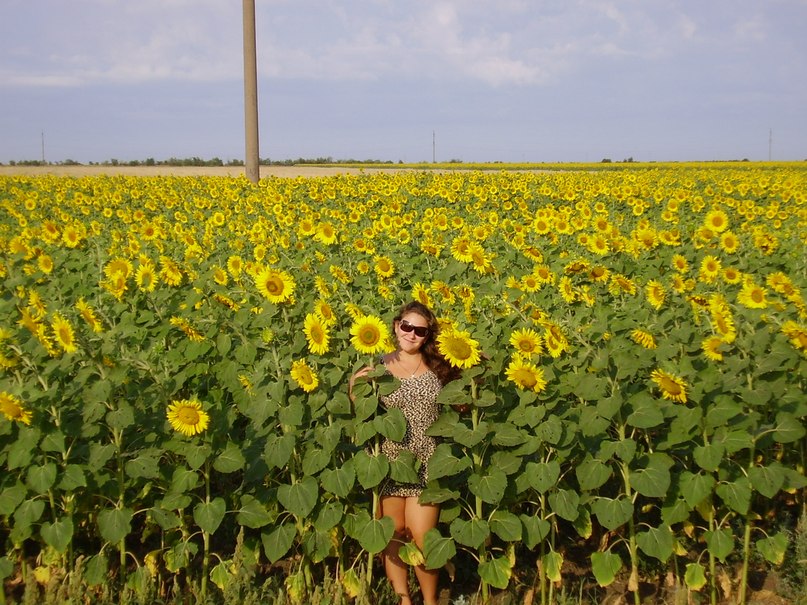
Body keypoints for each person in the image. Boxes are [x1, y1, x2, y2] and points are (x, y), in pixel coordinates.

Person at [349, 301, 461, 605]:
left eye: (419, 330)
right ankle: (403, 600)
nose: (411, 334)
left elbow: (462, 403)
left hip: (428, 463)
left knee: (423, 537)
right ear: (396, 325)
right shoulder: (378, 368)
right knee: (394, 533)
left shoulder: (439, 368)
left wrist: (475, 367)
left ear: (427, 336)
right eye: (406, 326)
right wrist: (353, 385)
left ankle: (429, 600)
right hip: (390, 461)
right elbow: (360, 410)